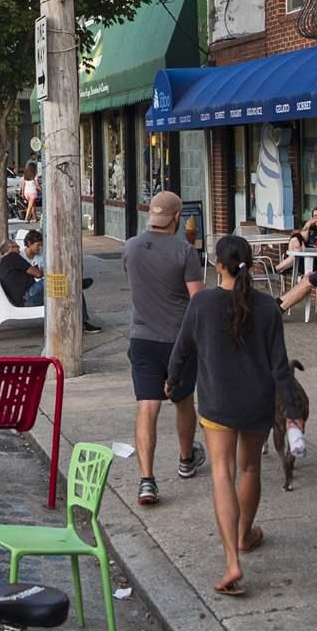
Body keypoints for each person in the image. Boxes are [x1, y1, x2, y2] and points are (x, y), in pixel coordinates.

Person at [166, 235, 301, 596]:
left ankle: (231, 562)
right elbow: (280, 366)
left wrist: (172, 379)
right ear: (251, 264)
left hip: (217, 402)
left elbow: (182, 349)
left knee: (222, 473)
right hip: (257, 401)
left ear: (217, 265)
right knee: (250, 468)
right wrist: (293, 411)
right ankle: (245, 536)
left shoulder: (202, 303)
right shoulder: (268, 307)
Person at [124, 191, 206, 506]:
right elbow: (197, 300)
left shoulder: (131, 247)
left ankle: (147, 481)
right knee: (183, 400)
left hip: (141, 339)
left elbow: (133, 282)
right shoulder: (185, 252)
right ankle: (186, 460)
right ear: (175, 217)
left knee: (147, 406)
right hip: (178, 341)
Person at [0, 230, 100, 332]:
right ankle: (76, 286)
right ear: (11, 248)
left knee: (66, 286)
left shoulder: (3, 264)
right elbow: (38, 274)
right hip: (28, 296)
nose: (18, 249)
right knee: (58, 282)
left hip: (23, 298)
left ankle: (75, 286)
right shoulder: (13, 257)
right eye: (16, 246)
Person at [273, 207, 317, 275]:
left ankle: (278, 269)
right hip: (305, 258)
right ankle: (280, 268)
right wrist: (308, 224)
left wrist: (307, 249)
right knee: (296, 238)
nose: (316, 219)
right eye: (314, 216)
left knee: (296, 256)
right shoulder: (312, 229)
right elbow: (301, 237)